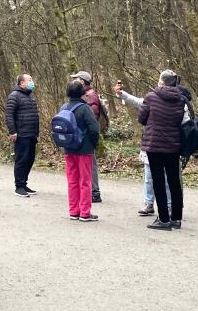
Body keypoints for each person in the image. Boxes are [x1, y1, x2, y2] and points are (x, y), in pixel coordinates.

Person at [113, 83, 173, 216]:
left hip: (169, 144)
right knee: (149, 177)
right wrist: (122, 94)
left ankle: (169, 205)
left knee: (167, 178)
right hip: (151, 143)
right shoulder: (151, 99)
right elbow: (137, 102)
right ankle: (149, 203)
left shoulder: (176, 101)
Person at [139, 70, 186, 230]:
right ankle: (177, 219)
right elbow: (180, 120)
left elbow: (142, 118)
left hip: (154, 144)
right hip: (174, 145)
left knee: (158, 181)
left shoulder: (151, 97)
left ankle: (164, 219)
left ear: (161, 81)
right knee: (174, 182)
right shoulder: (181, 99)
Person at [62, 81, 100, 222]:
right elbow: (94, 129)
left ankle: (73, 211)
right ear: (82, 93)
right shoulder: (84, 109)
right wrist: (94, 144)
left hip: (68, 149)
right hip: (84, 150)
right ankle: (85, 212)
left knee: (72, 181)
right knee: (85, 181)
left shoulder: (64, 107)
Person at [70, 71, 104, 203]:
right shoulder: (85, 96)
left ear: (83, 81)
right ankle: (90, 190)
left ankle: (95, 192)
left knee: (91, 165)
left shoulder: (91, 97)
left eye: (77, 79)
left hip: (87, 137)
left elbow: (92, 119)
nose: (74, 81)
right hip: (82, 136)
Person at [4, 73, 40, 197]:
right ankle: (18, 186)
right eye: (29, 80)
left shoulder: (31, 97)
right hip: (21, 134)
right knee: (21, 160)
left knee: (30, 159)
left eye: (32, 79)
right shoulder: (14, 96)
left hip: (31, 134)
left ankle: (24, 183)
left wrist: (37, 133)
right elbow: (9, 115)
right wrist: (12, 131)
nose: (32, 81)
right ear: (21, 83)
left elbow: (35, 117)